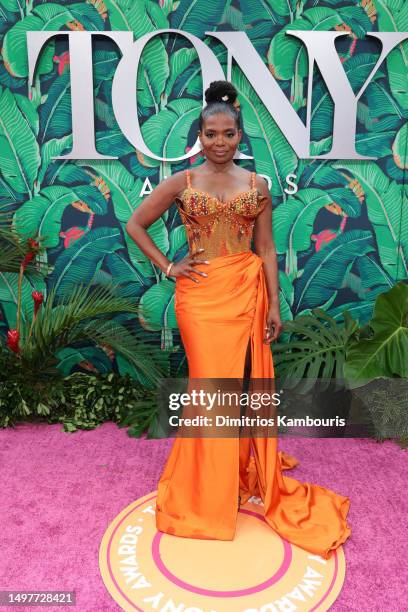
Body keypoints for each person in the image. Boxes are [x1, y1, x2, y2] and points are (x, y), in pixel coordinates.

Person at [125, 80, 351, 559]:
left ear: (241, 136)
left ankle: (231, 472)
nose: (220, 142)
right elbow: (135, 224)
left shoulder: (257, 186)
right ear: (199, 136)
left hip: (245, 294)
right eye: (211, 134)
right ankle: (204, 491)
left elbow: (266, 248)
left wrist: (273, 304)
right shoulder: (182, 182)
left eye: (228, 134)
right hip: (200, 299)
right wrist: (168, 266)